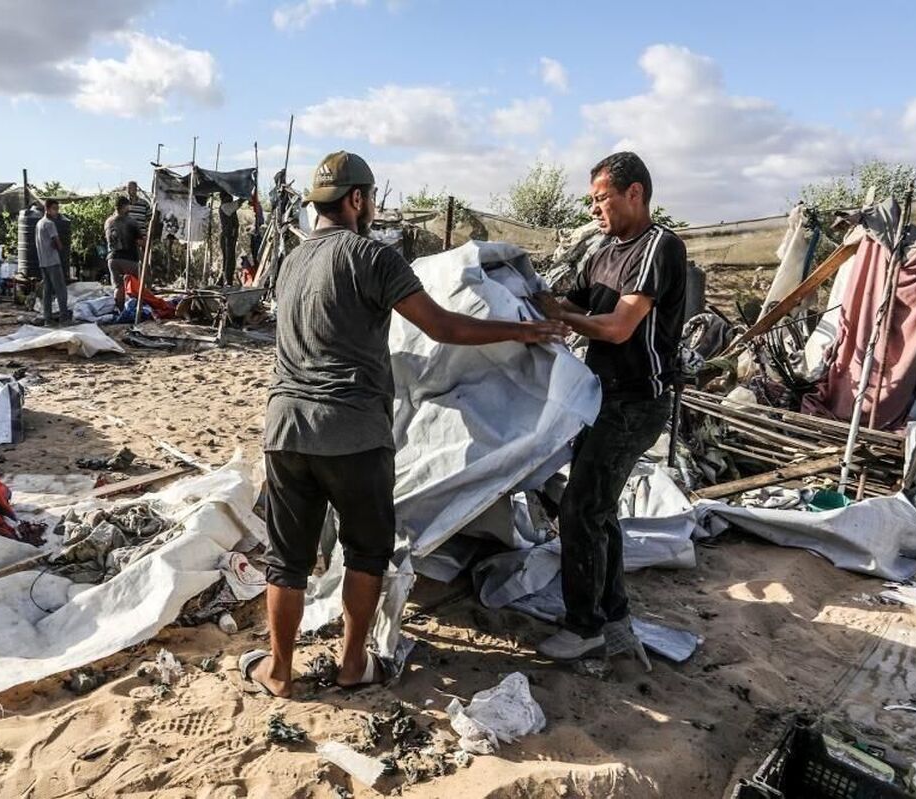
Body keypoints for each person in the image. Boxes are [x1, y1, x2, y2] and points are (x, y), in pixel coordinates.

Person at [238, 151, 571, 699]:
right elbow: (441, 327)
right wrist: (520, 332)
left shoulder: (291, 262)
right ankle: (353, 665)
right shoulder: (372, 256)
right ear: (357, 199)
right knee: (366, 553)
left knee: (287, 562)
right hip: (354, 434)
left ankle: (278, 672)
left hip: (285, 429)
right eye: (370, 199)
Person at [532, 152, 688, 662]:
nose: (595, 209)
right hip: (603, 397)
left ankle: (585, 628)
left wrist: (562, 320)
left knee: (581, 509)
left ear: (634, 193)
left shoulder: (658, 247)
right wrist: (530, 298)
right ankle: (612, 612)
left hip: (636, 402)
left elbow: (619, 327)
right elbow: (572, 303)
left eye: (602, 199)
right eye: (593, 200)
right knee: (598, 508)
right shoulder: (603, 252)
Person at [35, 199, 69, 325]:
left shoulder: (39, 223)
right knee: (61, 290)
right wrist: (61, 247)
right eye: (54, 209)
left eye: (57, 209)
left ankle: (47, 319)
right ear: (47, 209)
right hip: (53, 261)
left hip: (43, 262)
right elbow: (57, 242)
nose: (56, 212)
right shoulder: (50, 224)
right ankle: (64, 317)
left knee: (47, 292)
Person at [104, 197, 140, 311]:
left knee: (118, 287)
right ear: (125, 207)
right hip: (128, 258)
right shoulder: (131, 222)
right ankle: (136, 307)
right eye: (128, 206)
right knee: (138, 281)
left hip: (112, 259)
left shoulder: (108, 221)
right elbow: (139, 241)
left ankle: (120, 311)